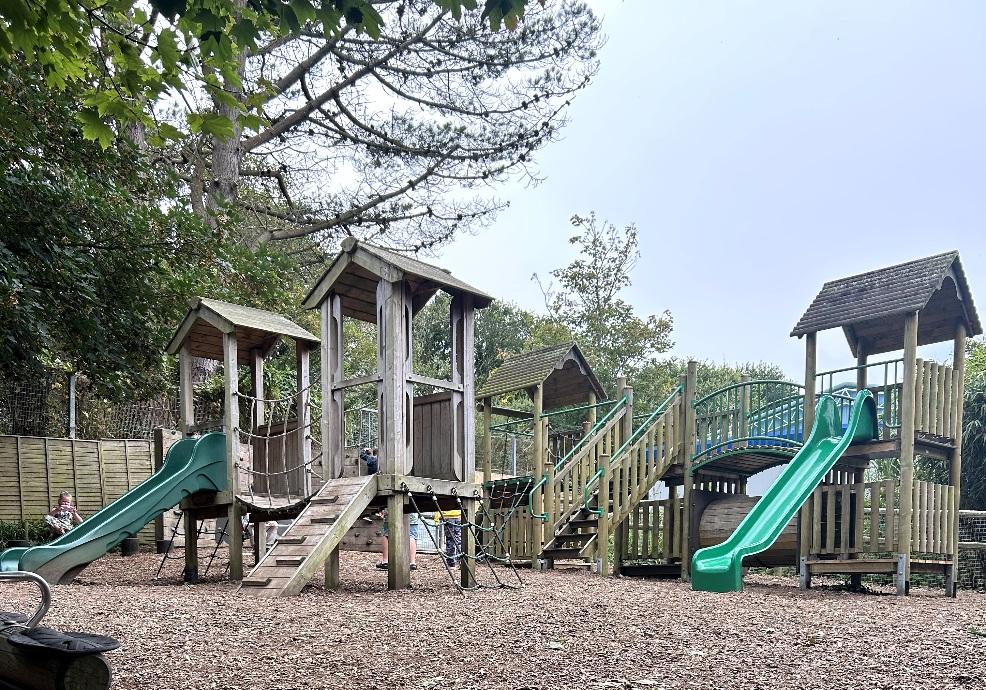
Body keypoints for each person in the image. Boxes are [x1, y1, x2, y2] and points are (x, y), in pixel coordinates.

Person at [361, 447, 417, 571]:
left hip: (388, 499)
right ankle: (412, 562)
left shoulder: (376, 462)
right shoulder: (406, 464)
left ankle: (386, 560)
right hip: (410, 498)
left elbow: (362, 456)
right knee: (411, 533)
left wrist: (365, 451)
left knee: (387, 533)